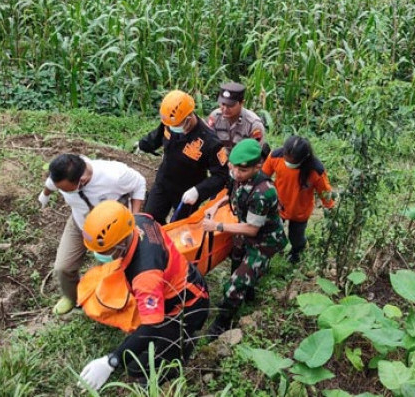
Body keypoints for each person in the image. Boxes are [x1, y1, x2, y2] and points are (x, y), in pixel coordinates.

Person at [79, 201, 209, 391]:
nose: (100, 256)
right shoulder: (138, 221)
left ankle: (181, 350)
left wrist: (112, 360)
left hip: (187, 307)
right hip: (183, 280)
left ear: (121, 243)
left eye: (105, 251)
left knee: (137, 367)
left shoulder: (146, 276)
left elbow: (152, 325)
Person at [38, 153, 147, 315]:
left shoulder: (114, 176)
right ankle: (73, 296)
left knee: (113, 267)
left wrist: (135, 218)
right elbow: (51, 184)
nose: (61, 192)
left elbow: (139, 184)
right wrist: (44, 195)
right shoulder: (61, 177)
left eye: (66, 190)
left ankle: (114, 300)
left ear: (81, 181)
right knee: (63, 267)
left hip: (110, 228)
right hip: (80, 223)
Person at [201, 139, 287, 338]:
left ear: (257, 167)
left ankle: (222, 322)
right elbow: (230, 192)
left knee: (234, 285)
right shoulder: (237, 174)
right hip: (243, 233)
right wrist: (215, 206)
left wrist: (218, 226)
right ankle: (248, 292)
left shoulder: (263, 192)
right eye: (234, 168)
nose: (237, 173)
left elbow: (252, 229)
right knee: (236, 261)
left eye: (243, 170)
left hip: (264, 240)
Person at [138, 90, 229, 224]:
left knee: (179, 228)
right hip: (164, 181)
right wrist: (143, 144)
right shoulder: (171, 122)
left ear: (188, 118)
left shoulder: (210, 142)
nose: (173, 128)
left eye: (176, 126)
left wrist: (198, 191)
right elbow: (157, 136)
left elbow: (221, 175)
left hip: (187, 192)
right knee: (150, 219)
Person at [262, 136, 335, 264]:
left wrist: (330, 210)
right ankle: (276, 250)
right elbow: (263, 177)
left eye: (292, 161)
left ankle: (296, 253)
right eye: (285, 157)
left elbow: (325, 193)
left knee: (296, 237)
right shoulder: (275, 156)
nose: (287, 161)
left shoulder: (315, 170)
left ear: (303, 158)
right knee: (272, 231)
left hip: (300, 210)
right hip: (278, 205)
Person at [207, 82, 266, 151]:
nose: (225, 109)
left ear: (242, 103)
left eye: (230, 105)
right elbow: (208, 142)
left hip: (244, 159)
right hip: (219, 158)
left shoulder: (253, 124)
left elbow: (256, 152)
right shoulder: (215, 117)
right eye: (223, 104)